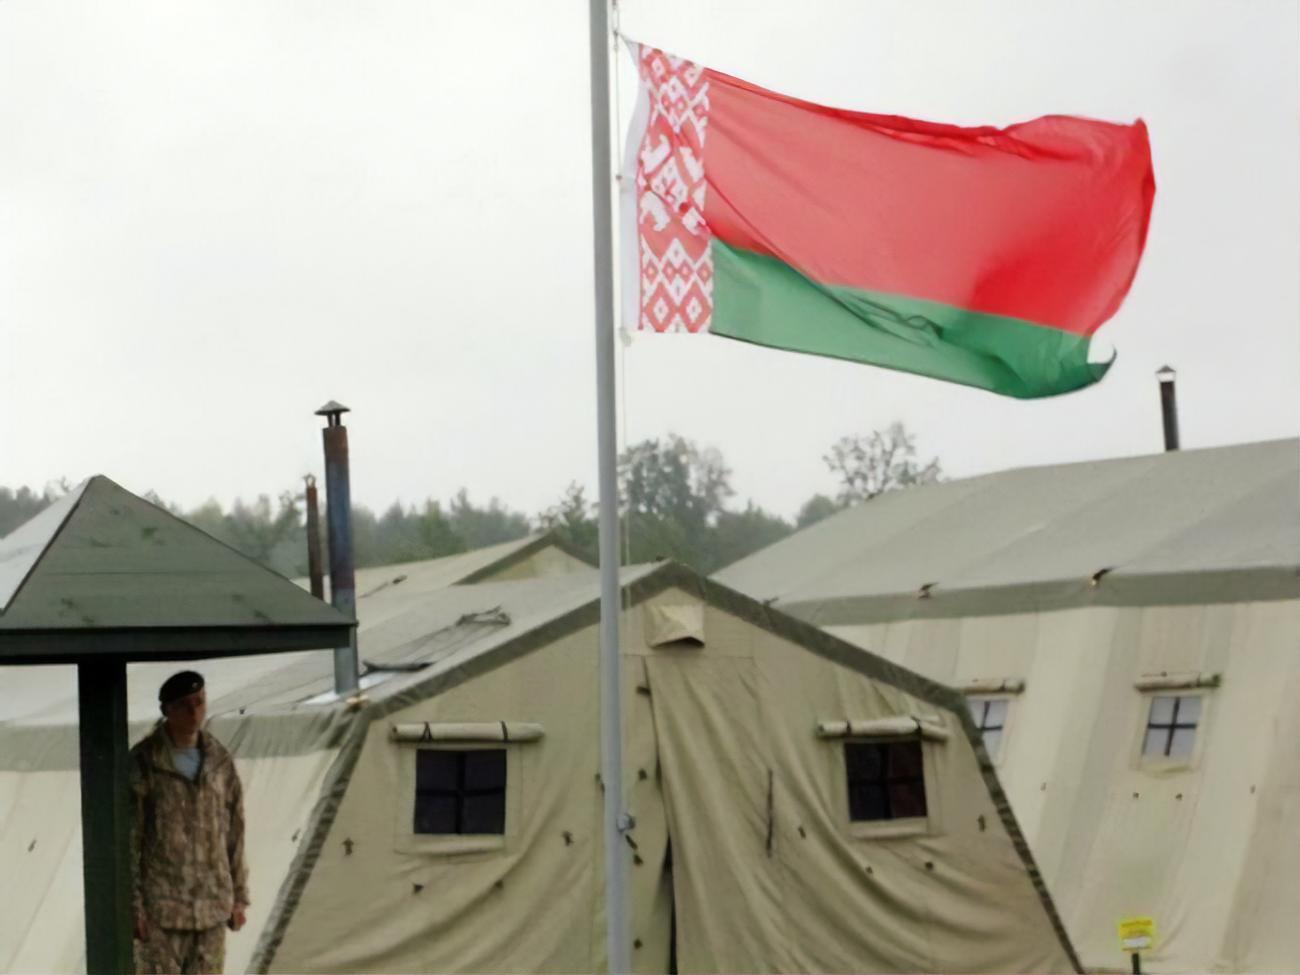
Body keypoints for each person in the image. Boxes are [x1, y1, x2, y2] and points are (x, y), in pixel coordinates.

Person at [130, 671, 249, 975]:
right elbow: (131, 840)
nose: (194, 712)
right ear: (168, 711)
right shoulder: (146, 762)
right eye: (185, 705)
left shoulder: (219, 761)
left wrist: (239, 897)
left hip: (211, 907)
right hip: (163, 910)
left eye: (200, 702)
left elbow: (234, 831)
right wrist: (135, 906)